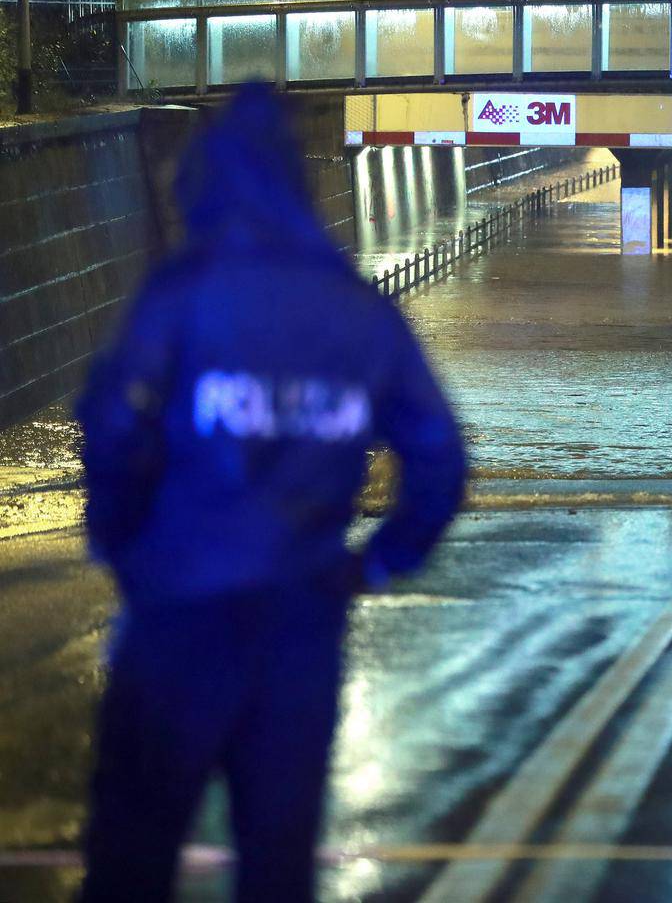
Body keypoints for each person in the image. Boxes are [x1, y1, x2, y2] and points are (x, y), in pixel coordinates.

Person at [76, 85, 466, 902]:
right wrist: (379, 564)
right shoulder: (360, 314)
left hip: (177, 614)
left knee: (132, 855)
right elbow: (438, 459)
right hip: (301, 623)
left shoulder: (182, 295)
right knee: (277, 863)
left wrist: (123, 543)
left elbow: (114, 422)